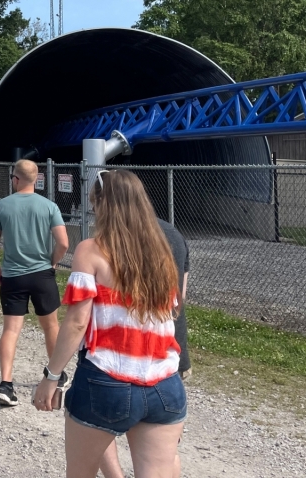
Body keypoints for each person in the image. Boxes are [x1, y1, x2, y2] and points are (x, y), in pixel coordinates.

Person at [33, 169, 186, 478]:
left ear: (103, 204)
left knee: (80, 472)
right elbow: (175, 308)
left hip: (107, 379)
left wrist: (52, 376)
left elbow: (77, 322)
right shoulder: (163, 251)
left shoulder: (91, 249)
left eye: (94, 204)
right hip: (165, 384)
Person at [95, 216, 191, 478]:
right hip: (170, 350)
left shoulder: (112, 236)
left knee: (96, 427)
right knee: (166, 450)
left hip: (122, 354)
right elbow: (180, 296)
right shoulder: (174, 234)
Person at [0, 159, 69, 406]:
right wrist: (52, 262)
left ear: (15, 179)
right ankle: (57, 375)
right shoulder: (49, 206)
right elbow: (64, 243)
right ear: (36, 180)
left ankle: (6, 384)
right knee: (51, 326)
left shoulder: (2, 205)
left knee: (11, 330)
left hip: (12, 276)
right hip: (42, 275)